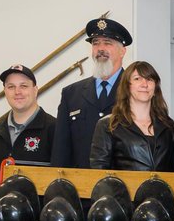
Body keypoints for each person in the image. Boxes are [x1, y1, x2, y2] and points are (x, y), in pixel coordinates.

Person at [51, 18, 131, 168]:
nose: (100, 48)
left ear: (122, 51)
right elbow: (61, 150)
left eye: (107, 43)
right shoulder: (71, 94)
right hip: (81, 186)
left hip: (122, 186)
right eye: (95, 43)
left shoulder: (135, 91)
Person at [89, 61, 174, 172]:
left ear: (155, 88)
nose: (144, 84)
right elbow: (99, 173)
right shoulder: (108, 125)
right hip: (123, 189)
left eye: (149, 79)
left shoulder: (170, 126)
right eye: (137, 79)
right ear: (127, 87)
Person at [0, 64, 55, 217]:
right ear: (5, 92)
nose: (17, 92)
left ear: (35, 90)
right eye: (11, 87)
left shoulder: (55, 130)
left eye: (24, 86)